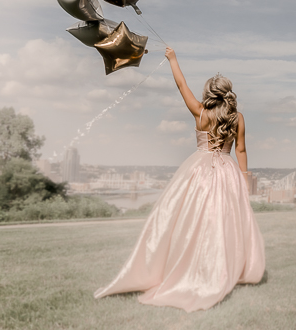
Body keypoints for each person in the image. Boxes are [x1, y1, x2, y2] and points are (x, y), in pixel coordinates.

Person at [94, 47, 265, 312]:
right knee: (224, 221)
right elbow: (241, 150)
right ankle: (223, 267)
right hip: (227, 171)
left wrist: (172, 59)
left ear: (208, 94)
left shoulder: (199, 111)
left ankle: (188, 266)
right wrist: (243, 178)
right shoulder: (237, 117)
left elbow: (181, 84)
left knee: (191, 220)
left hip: (198, 170)